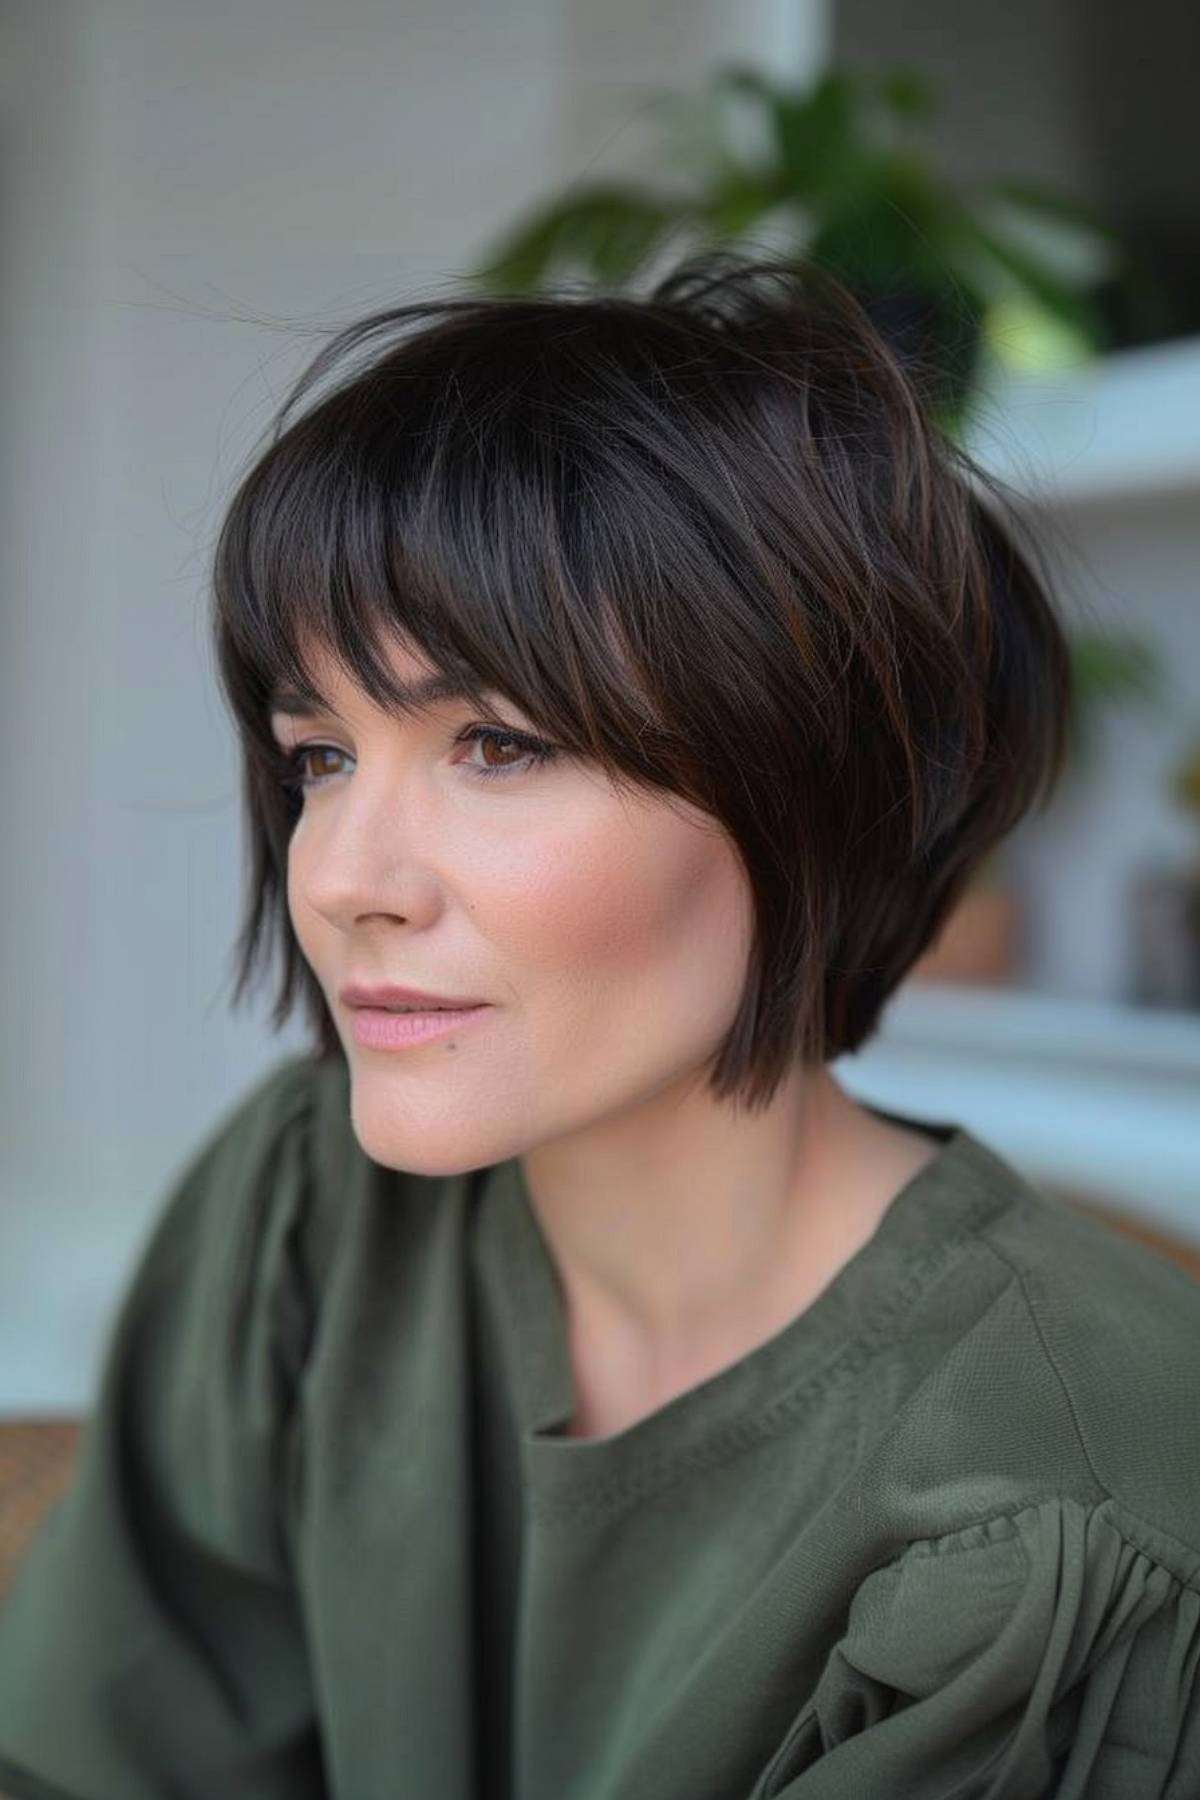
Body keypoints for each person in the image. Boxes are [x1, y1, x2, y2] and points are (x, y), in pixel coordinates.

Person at [1, 251, 1197, 1800]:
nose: (347, 878)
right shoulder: (308, 1207)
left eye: (496, 743)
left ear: (810, 791)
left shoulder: (1060, 1507)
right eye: (319, 755)